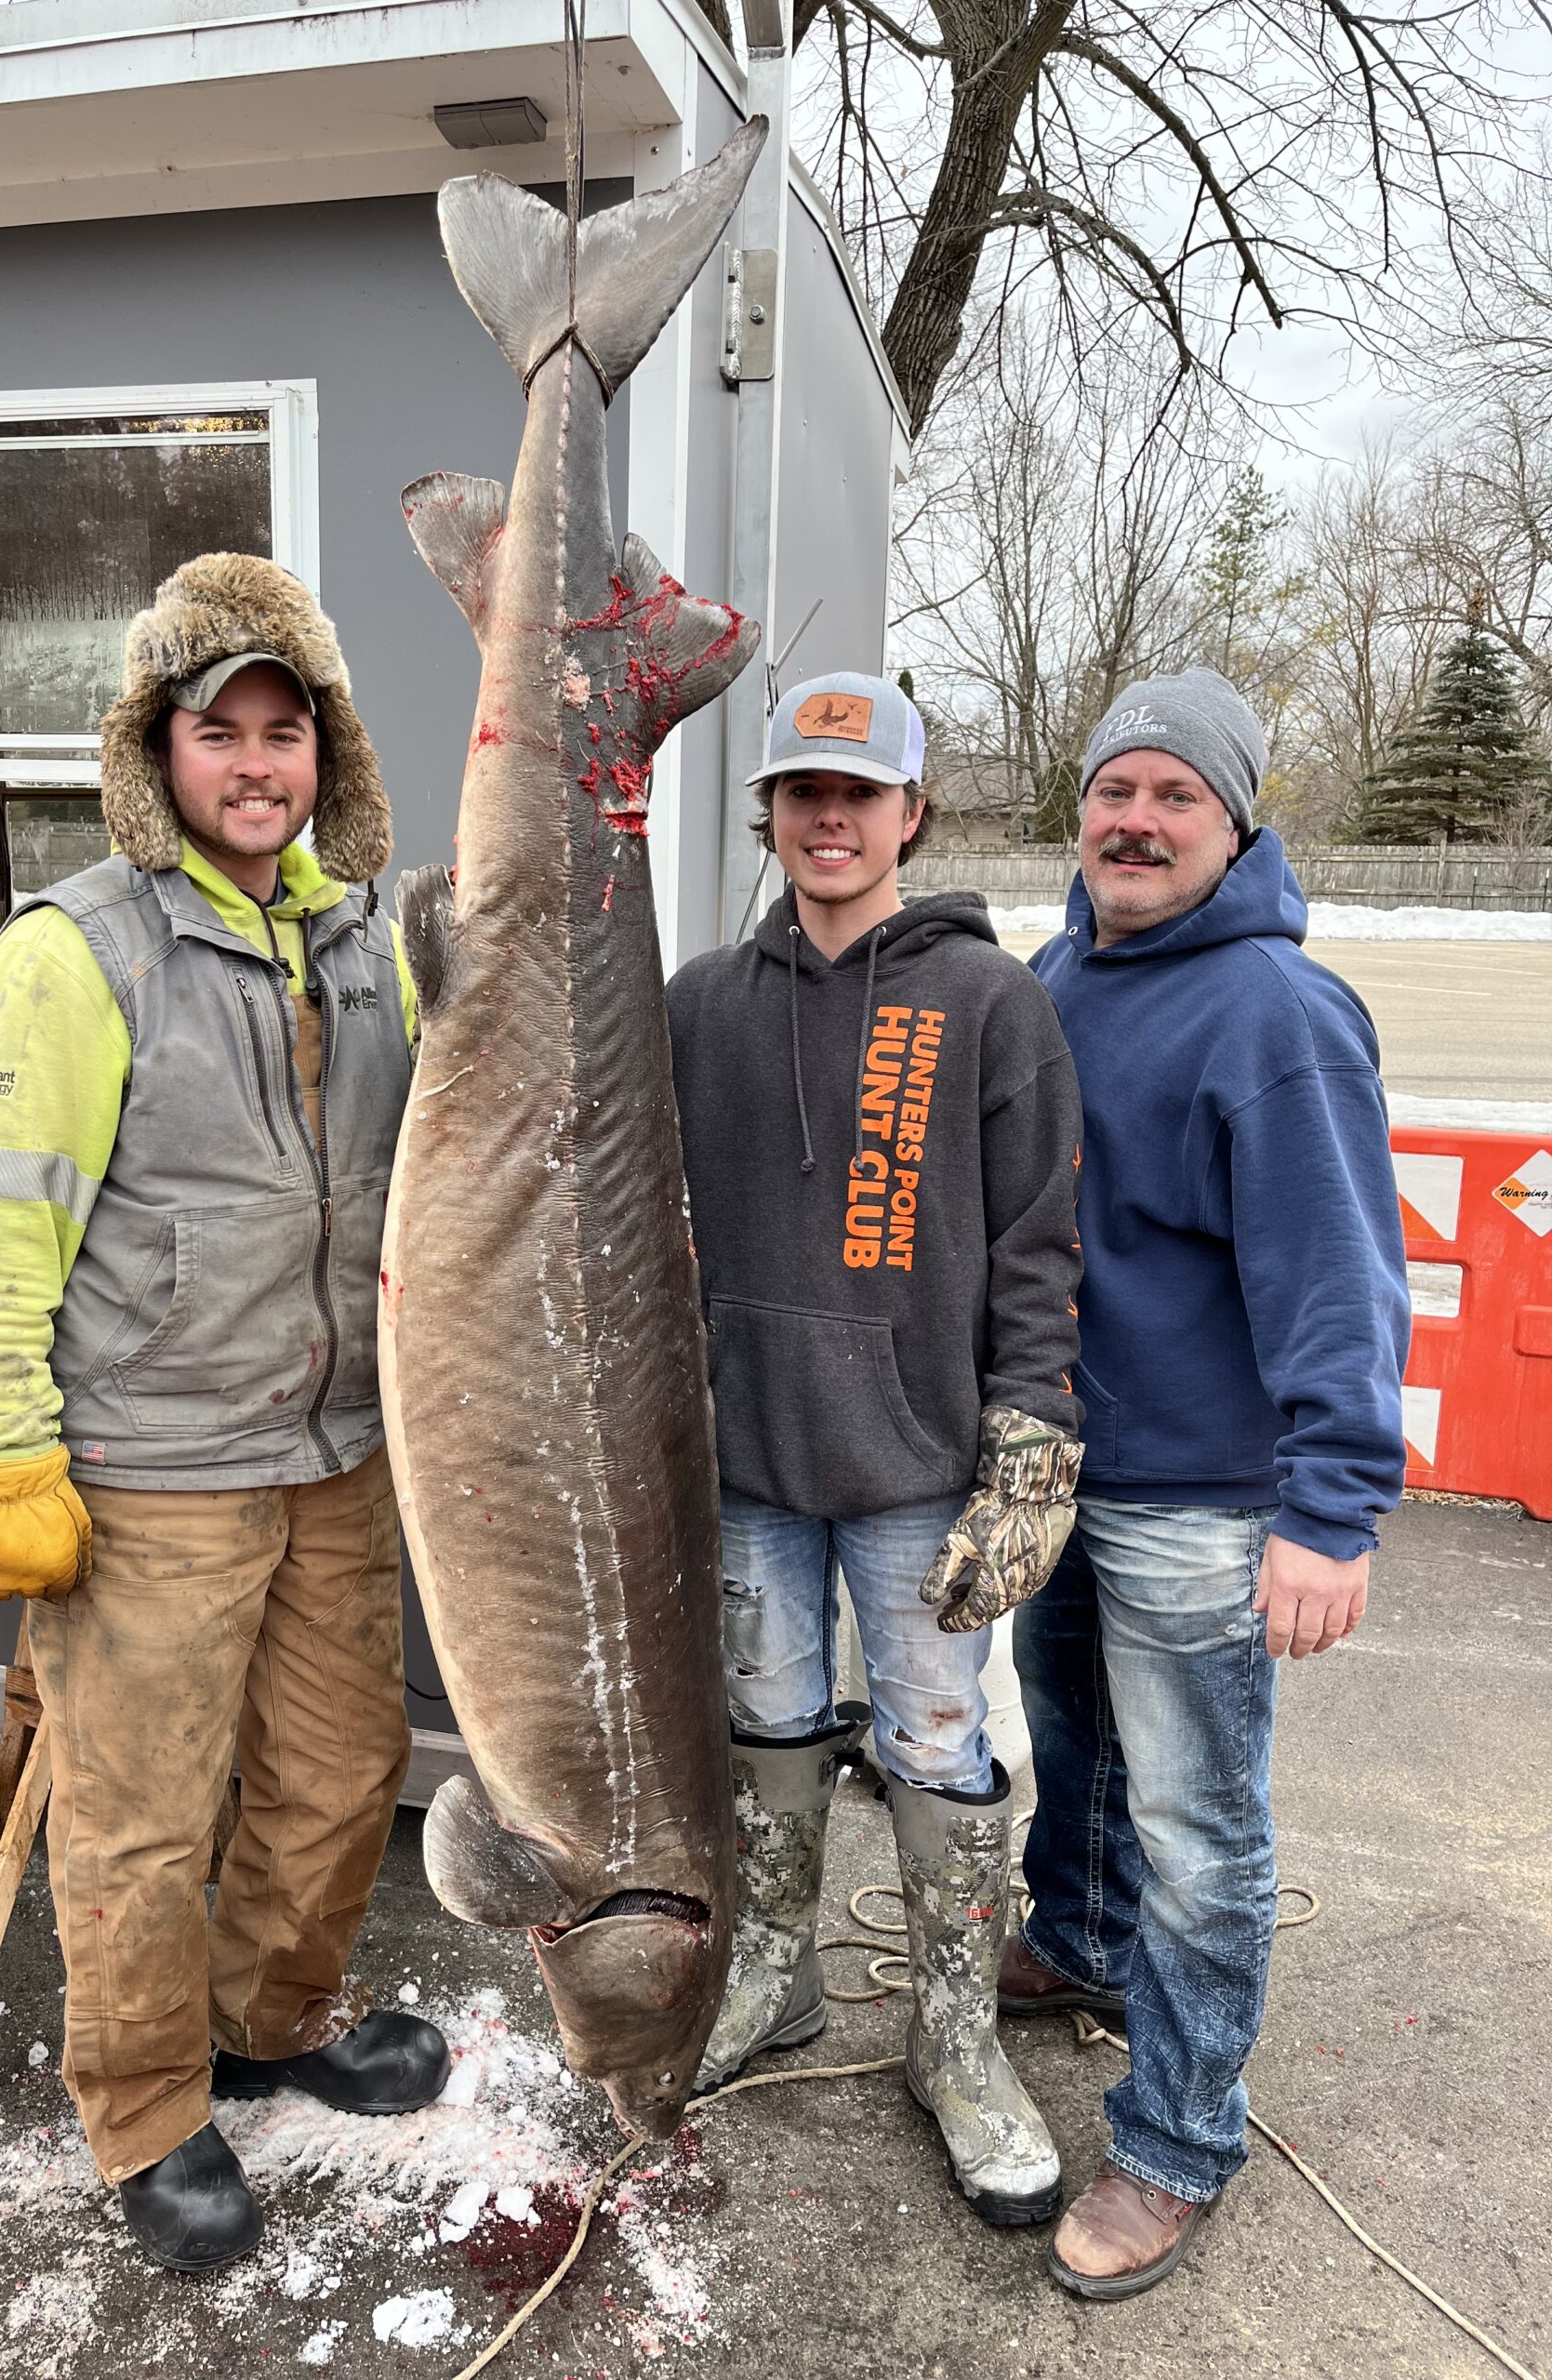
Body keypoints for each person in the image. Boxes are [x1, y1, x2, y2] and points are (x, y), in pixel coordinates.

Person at [0, 554, 449, 2273]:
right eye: (215, 731)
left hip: (340, 1453)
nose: (252, 763)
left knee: (335, 1774)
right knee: (143, 1813)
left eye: (282, 732)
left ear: (326, 756)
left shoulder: (368, 944)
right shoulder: (77, 953)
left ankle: (275, 2020)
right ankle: (147, 2109)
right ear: (155, 752)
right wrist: (6, 1452)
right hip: (152, 1470)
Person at [666, 672, 1085, 2227]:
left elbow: (1043, 1245)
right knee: (767, 1720)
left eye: (859, 794)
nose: (828, 820)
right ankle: (771, 1981)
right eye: (800, 793)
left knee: (934, 1743)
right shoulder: (700, 1000)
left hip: (922, 1474)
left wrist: (1030, 1441)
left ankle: (956, 2038)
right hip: (748, 1462)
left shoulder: (992, 1003)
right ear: (770, 813)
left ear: (913, 813)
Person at [1016, 668, 1411, 2298]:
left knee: (1199, 1827)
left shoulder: (1275, 1013)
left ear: (1235, 825)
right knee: (1074, 1742)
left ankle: (1178, 2140)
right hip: (1060, 1466)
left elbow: (1340, 1274)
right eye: (1118, 791)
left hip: (1200, 1493)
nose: (1137, 820)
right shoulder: (1055, 974)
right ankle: (1081, 1940)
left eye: (1177, 796)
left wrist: (1331, 1508)